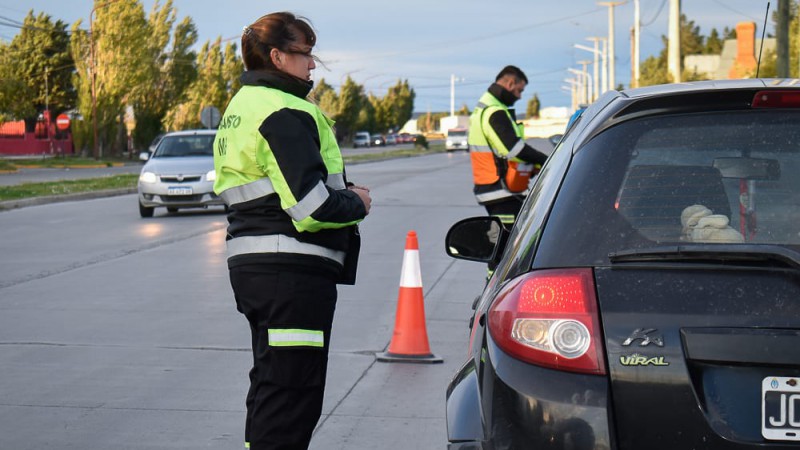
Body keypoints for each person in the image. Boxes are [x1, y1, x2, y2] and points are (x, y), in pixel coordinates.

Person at [212, 12, 371, 450]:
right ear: (278, 56)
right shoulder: (284, 110)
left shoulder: (242, 106)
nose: (312, 65)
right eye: (305, 54)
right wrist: (358, 201)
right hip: (291, 273)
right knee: (292, 396)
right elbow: (311, 207)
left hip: (258, 269)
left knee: (272, 388)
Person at [468, 65, 549, 226]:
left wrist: (531, 166)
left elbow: (500, 152)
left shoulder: (484, 107)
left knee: (506, 242)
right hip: (501, 191)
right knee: (509, 245)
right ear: (511, 83)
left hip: (496, 189)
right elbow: (515, 149)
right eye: (520, 90)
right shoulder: (494, 111)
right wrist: (548, 161)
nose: (519, 96)